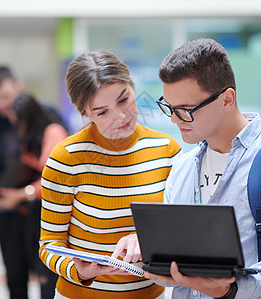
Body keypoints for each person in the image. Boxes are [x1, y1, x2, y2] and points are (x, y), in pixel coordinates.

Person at [115, 38, 261, 299]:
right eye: (169, 107)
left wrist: (229, 289)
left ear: (227, 99)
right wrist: (143, 248)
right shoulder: (183, 167)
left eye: (186, 110)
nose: (175, 119)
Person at [38, 50, 181, 299]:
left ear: (132, 86)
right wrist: (79, 271)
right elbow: (49, 244)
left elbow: (180, 227)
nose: (121, 116)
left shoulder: (166, 150)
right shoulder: (66, 158)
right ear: (85, 113)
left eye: (124, 99)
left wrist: (147, 238)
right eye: (102, 112)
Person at [0, 66, 62, 298]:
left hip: (42, 216)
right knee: (15, 279)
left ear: (19, 90)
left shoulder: (49, 121)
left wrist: (23, 194)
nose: (3, 104)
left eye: (7, 97)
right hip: (7, 217)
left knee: (47, 279)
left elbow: (57, 179)